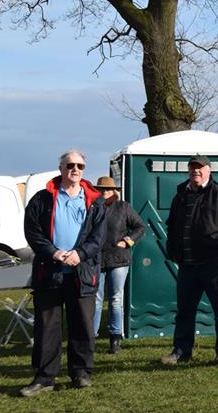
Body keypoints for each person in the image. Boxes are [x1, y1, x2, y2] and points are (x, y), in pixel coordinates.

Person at [21, 150, 106, 396]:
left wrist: (80, 253)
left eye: (80, 165)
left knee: (82, 325)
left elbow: (99, 237)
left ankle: (81, 373)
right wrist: (54, 253)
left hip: (83, 272)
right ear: (61, 167)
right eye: (70, 165)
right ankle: (45, 378)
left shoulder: (95, 200)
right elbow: (33, 232)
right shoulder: (42, 199)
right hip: (49, 271)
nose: (75, 169)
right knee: (47, 327)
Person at [161, 155, 218, 367]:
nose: (196, 171)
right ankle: (181, 351)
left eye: (200, 168)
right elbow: (172, 225)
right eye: (192, 168)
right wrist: (172, 251)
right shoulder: (181, 196)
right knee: (184, 312)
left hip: (214, 264)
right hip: (187, 264)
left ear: (209, 170)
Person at [92, 176, 145, 354]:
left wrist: (127, 241)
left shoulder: (123, 207)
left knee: (115, 299)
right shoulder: (92, 207)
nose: (104, 192)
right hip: (96, 259)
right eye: (101, 189)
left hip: (119, 259)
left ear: (114, 190)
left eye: (107, 189)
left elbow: (139, 226)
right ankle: (90, 338)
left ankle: (115, 339)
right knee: (96, 300)